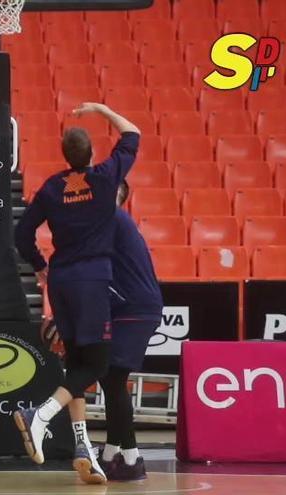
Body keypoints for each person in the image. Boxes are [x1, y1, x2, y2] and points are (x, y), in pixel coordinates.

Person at [13, 102, 140, 485]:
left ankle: (84, 448)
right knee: (99, 364)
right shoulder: (104, 179)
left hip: (62, 280)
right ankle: (42, 414)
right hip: (91, 280)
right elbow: (132, 132)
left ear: (65, 155)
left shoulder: (52, 188)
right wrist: (101, 109)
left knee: (76, 363)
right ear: (92, 154)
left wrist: (39, 266)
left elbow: (21, 235)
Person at [99, 180, 162, 481]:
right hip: (125, 308)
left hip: (136, 309)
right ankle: (111, 453)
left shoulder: (113, 218)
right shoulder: (109, 223)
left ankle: (133, 458)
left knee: (113, 377)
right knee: (109, 377)